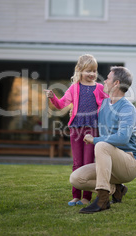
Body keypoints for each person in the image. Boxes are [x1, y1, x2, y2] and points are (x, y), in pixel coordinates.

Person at [70, 66, 136, 214]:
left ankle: (102, 199)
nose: (105, 81)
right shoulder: (103, 105)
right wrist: (74, 111)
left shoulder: (128, 108)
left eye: (108, 78)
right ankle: (115, 189)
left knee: (102, 144)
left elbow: (123, 137)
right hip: (108, 164)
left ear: (116, 83)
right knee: (76, 178)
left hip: (129, 163)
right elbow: (85, 110)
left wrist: (95, 140)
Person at [44, 54, 108, 206]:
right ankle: (76, 196)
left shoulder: (99, 88)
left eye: (94, 71)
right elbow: (60, 105)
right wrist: (53, 97)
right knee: (77, 162)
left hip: (92, 129)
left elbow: (108, 106)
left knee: (88, 162)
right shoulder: (74, 88)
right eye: (88, 71)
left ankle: (86, 197)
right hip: (76, 129)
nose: (92, 74)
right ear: (80, 70)